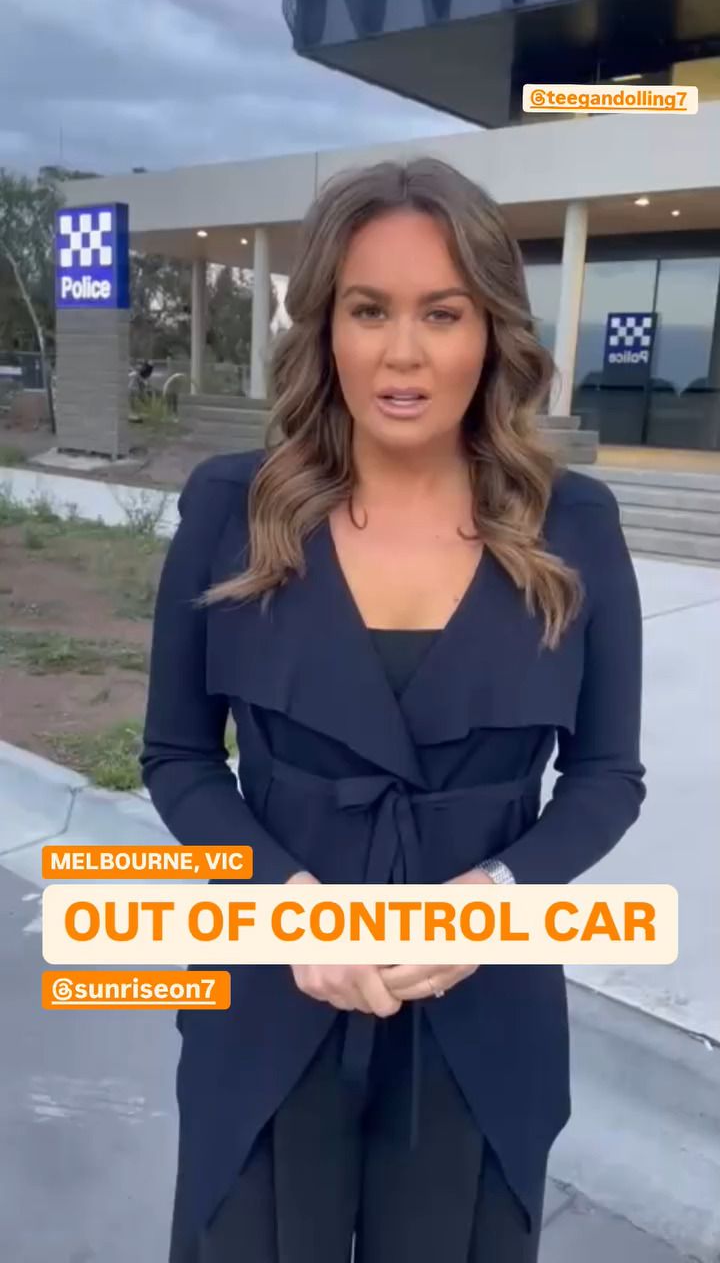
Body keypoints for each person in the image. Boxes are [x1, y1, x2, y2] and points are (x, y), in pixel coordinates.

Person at [140, 156, 646, 1263]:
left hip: (483, 1016)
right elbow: (178, 755)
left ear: (492, 331)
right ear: (326, 325)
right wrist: (286, 907)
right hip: (267, 996)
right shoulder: (232, 506)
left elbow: (607, 776)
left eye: (442, 313)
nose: (402, 352)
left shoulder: (575, 525)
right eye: (369, 310)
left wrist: (493, 902)